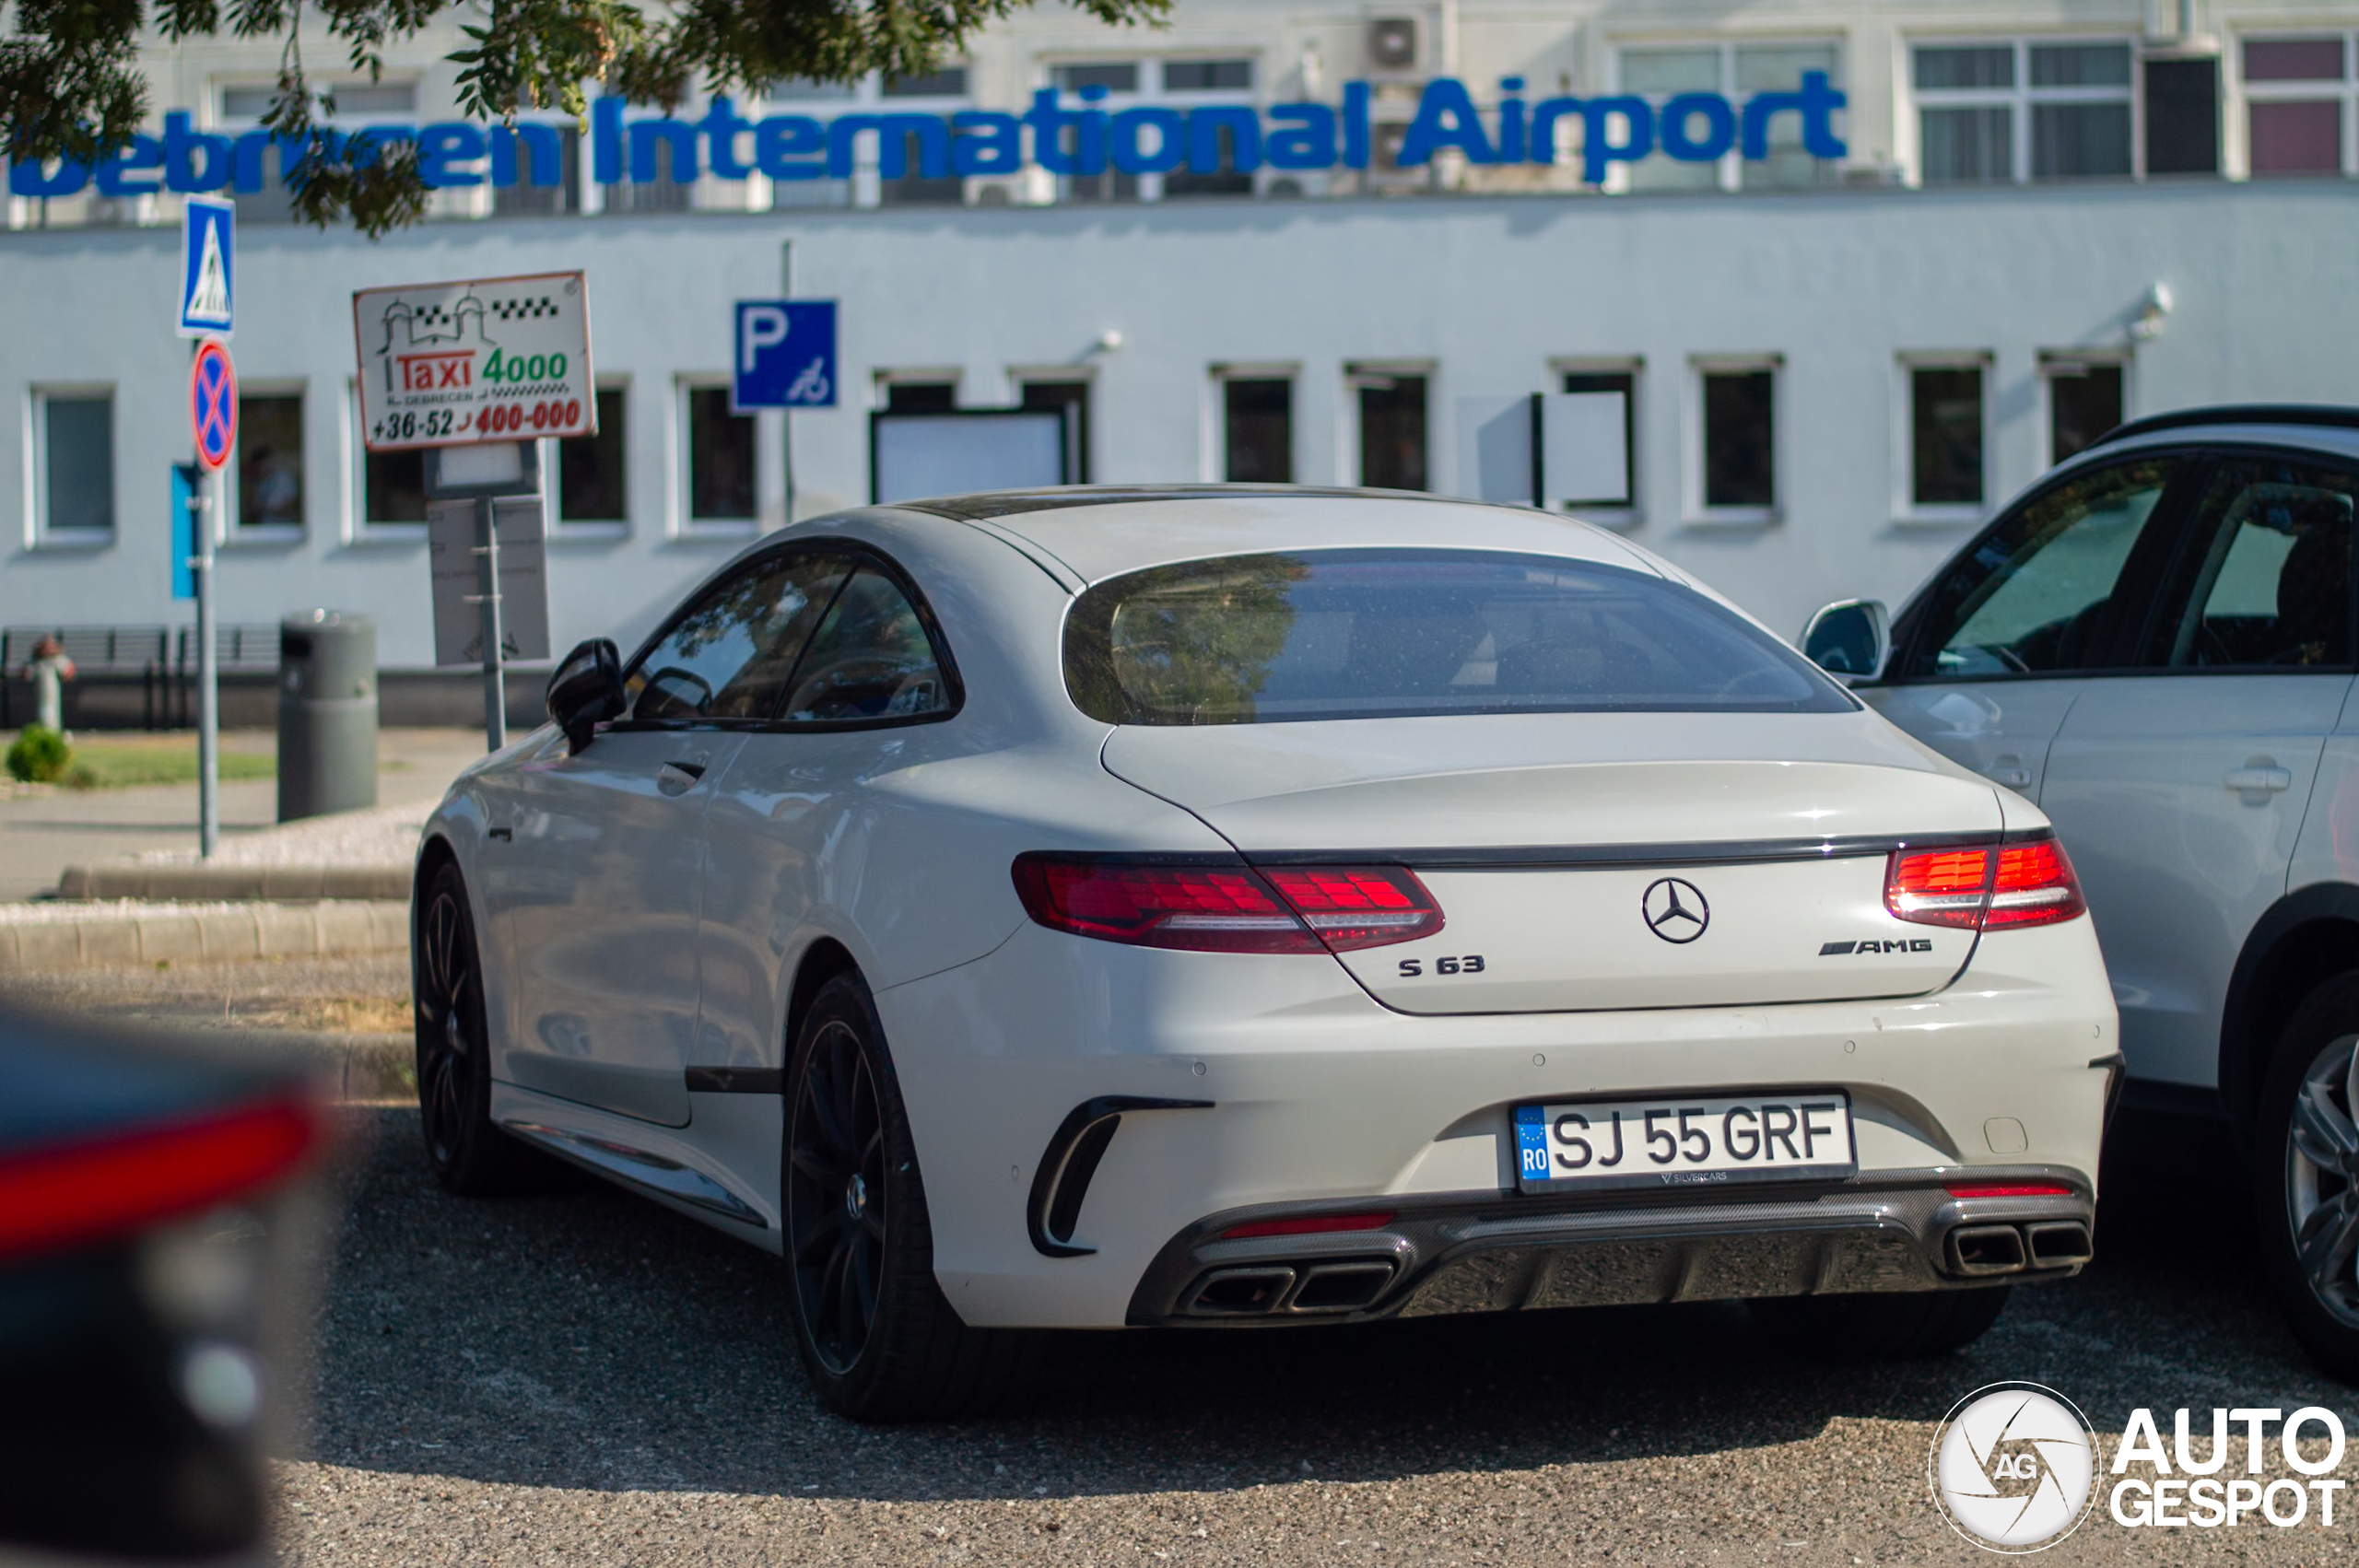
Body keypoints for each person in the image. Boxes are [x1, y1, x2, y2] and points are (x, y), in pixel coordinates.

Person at [27, 636, 75, 734]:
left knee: (52, 713)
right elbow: (27, 673)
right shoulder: (36, 662)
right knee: (43, 712)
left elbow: (69, 670)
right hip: (40, 691)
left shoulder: (58, 660)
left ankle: (52, 730)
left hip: (53, 691)